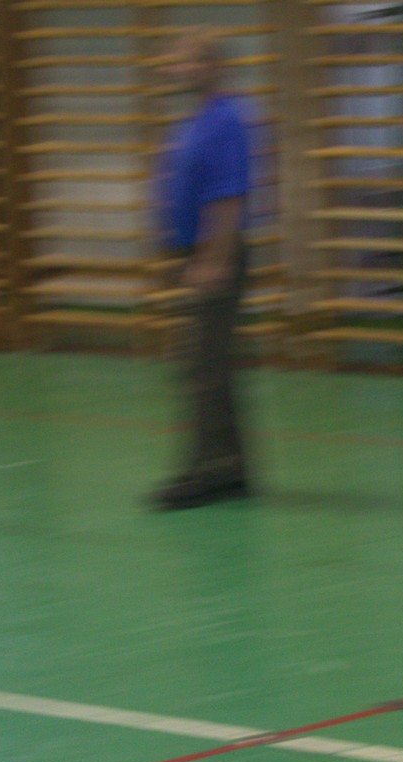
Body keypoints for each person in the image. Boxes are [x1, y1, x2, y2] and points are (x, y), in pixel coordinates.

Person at [148, 29, 254, 510]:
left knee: (202, 369)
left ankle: (201, 472)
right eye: (177, 61)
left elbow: (229, 196)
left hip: (217, 254)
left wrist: (214, 260)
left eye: (188, 61)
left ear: (211, 66)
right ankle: (231, 469)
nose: (178, 69)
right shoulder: (197, 120)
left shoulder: (226, 120)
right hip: (196, 253)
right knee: (212, 367)